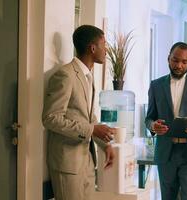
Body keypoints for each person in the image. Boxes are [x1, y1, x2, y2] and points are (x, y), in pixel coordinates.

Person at [42, 25, 116, 200]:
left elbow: (88, 118)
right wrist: (92, 130)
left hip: (87, 162)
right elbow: (50, 118)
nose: (106, 50)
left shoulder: (87, 76)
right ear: (92, 48)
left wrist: (105, 145)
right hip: (67, 163)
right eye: (104, 44)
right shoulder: (65, 75)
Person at [145, 42, 187, 200]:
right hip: (166, 153)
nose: (179, 65)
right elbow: (149, 118)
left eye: (184, 62)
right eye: (175, 60)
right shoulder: (156, 85)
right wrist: (153, 126)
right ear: (168, 58)